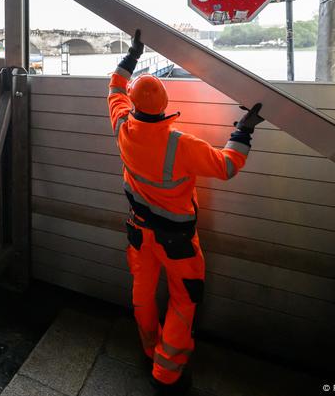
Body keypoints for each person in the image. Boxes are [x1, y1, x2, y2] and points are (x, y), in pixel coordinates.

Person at [107, 29, 264, 395]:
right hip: (178, 243)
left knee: (142, 294)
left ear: (133, 105)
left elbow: (114, 89)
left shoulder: (122, 128)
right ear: (164, 106)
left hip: (139, 233)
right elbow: (227, 166)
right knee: (183, 301)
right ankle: (166, 372)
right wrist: (243, 129)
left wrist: (131, 57)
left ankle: (149, 350)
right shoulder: (182, 145)